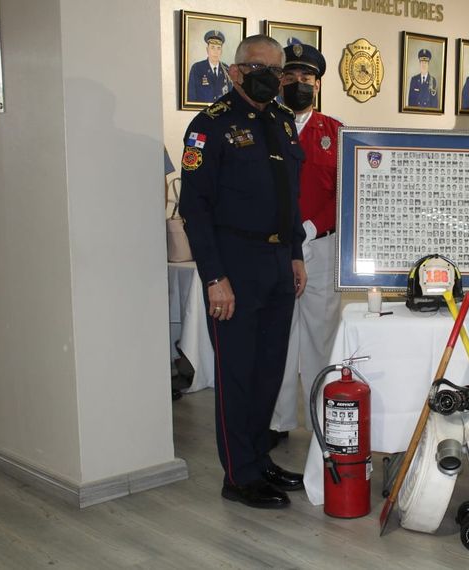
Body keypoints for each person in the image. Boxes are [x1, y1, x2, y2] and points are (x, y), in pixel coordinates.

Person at [178, 35, 308, 509]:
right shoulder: (209, 126)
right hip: (234, 264)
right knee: (237, 374)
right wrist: (214, 277)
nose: (272, 77)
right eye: (260, 68)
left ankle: (259, 458)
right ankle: (238, 475)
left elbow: (288, 198)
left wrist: (295, 252)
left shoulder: (281, 122)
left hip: (277, 263)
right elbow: (194, 207)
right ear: (234, 72)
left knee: (269, 370)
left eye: (277, 69)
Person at [270, 43, 342, 444]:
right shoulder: (266, 124)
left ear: (317, 84)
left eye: (307, 79)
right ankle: (278, 422)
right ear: (280, 80)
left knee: (320, 336)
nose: (299, 84)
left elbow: (347, 193)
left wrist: (311, 228)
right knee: (278, 337)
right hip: (275, 247)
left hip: (321, 244)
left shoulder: (334, 131)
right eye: (291, 77)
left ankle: (321, 416)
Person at [186, 30, 233, 103]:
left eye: (218, 48)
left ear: (221, 51)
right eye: (212, 48)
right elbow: (191, 97)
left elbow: (231, 97)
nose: (216, 52)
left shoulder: (227, 70)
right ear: (207, 49)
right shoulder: (197, 68)